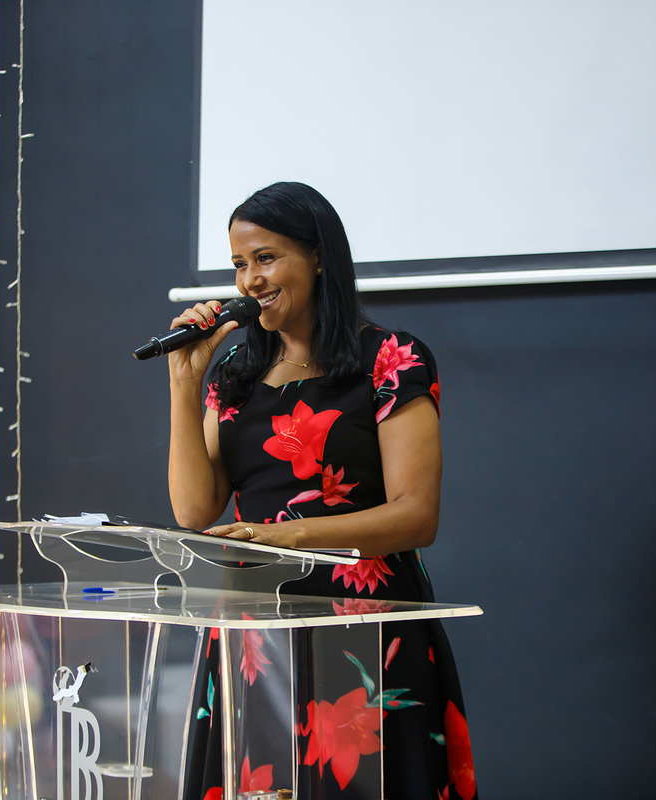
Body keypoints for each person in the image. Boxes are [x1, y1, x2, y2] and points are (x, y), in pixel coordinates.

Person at [168, 182, 476, 800]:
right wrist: (184, 383)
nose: (250, 279)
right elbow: (195, 511)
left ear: (316, 256)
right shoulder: (234, 375)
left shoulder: (389, 358)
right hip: (257, 633)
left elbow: (417, 515)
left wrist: (288, 536)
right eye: (239, 264)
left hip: (365, 623)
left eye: (266, 257)